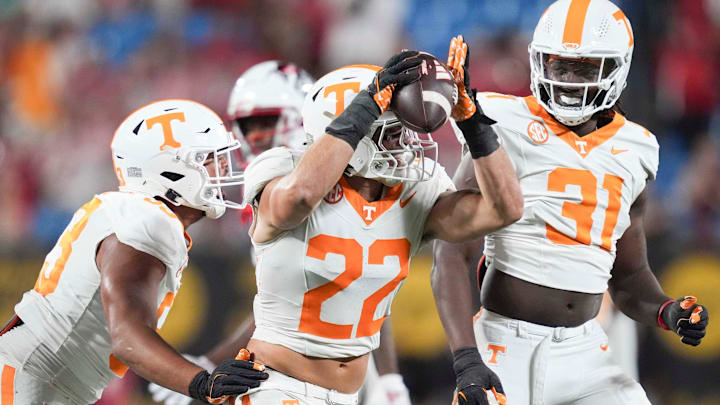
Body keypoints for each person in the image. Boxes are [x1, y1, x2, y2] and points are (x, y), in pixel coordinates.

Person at [432, 1, 710, 404]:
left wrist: (667, 310)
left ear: (617, 69)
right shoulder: (500, 124)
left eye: (582, 68)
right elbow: (452, 253)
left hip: (585, 349)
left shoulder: (636, 149)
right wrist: (465, 358)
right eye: (558, 66)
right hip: (506, 341)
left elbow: (629, 276)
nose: (567, 80)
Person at [223, 48, 522, 405]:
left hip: (350, 394)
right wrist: (365, 107)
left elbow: (504, 208)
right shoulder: (280, 168)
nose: (406, 144)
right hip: (276, 386)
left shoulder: (413, 190)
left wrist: (472, 120)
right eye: (391, 132)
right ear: (355, 132)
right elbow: (300, 197)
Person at [148, 61, 412, 405]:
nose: (253, 134)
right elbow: (288, 305)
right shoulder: (275, 182)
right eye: (246, 124)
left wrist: (387, 379)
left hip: (341, 376)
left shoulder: (336, 181)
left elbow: (366, 287)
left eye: (265, 120)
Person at [0, 99, 268, 404]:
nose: (223, 167)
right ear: (169, 169)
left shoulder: (136, 214)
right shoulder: (147, 221)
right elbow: (128, 339)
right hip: (34, 377)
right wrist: (202, 383)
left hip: (42, 376)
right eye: (208, 158)